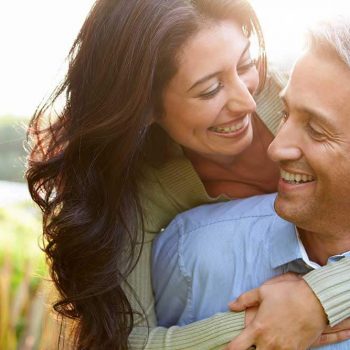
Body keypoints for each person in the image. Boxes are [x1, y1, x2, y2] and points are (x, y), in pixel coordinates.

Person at [25, 0, 350, 348]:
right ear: (146, 106)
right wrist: (263, 322)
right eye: (210, 89)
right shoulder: (141, 192)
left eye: (245, 64)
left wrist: (321, 298)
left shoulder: (301, 86)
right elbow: (126, 341)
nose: (247, 101)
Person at [152, 16, 350, 350]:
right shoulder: (191, 254)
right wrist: (254, 327)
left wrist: (323, 298)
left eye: (315, 129)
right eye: (285, 114)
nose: (275, 147)